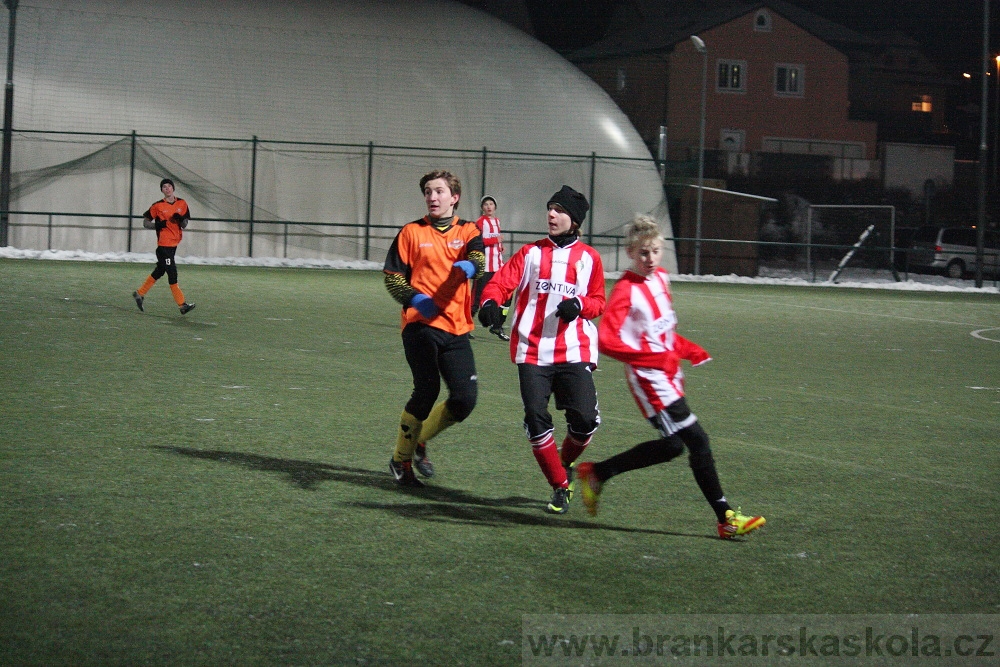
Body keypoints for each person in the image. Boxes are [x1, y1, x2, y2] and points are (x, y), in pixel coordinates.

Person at [574, 215, 765, 539]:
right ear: (631, 253)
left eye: (655, 252)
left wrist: (687, 349)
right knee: (698, 441)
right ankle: (726, 518)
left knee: (674, 446)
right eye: (643, 253)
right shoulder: (625, 291)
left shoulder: (661, 279)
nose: (650, 259)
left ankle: (597, 473)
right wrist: (654, 359)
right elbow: (606, 341)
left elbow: (664, 331)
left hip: (668, 374)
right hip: (650, 381)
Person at [478, 185, 605, 514]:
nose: (551, 214)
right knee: (536, 418)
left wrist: (578, 304)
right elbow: (501, 282)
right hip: (532, 350)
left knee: (585, 421)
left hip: (572, 349)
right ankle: (560, 485)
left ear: (574, 220)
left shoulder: (589, 258)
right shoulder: (531, 253)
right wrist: (491, 301)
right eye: (550, 208)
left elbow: (598, 302)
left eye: (559, 210)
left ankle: (563, 464)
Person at [383, 170, 486, 487]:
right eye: (428, 191)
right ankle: (401, 462)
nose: (432, 197)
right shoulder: (411, 233)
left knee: (465, 400)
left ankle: (420, 441)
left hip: (456, 328)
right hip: (420, 326)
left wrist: (471, 266)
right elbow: (392, 278)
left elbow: (479, 258)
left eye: (439, 191)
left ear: (454, 197)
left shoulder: (468, 230)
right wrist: (415, 298)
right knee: (426, 391)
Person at [132, 178, 196, 315]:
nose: (167, 189)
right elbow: (145, 222)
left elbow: (184, 224)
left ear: (173, 188)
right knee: (172, 274)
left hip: (173, 245)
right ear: (162, 190)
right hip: (163, 246)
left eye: (169, 186)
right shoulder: (158, 206)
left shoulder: (182, 203)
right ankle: (182, 305)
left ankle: (139, 293)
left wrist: (180, 220)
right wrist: (157, 225)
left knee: (160, 271)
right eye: (164, 187)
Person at [472, 195, 510, 341]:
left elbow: (496, 241)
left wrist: (500, 247)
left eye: (491, 204)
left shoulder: (497, 221)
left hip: (498, 268)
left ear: (495, 207)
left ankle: (498, 325)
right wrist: (496, 240)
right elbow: (477, 241)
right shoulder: (480, 222)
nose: (489, 206)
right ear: (482, 208)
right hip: (485, 267)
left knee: (506, 295)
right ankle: (464, 327)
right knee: (476, 297)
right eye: (486, 204)